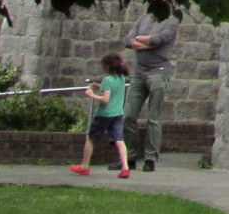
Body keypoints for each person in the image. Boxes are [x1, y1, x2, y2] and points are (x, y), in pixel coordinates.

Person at [123, 9, 180, 172]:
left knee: (153, 117)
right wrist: (147, 43)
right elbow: (127, 40)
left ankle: (150, 158)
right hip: (139, 72)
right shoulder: (143, 18)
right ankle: (130, 156)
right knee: (128, 116)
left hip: (158, 71)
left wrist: (139, 40)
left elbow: (160, 39)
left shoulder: (172, 20)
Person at [71, 51, 132, 179]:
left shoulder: (107, 80)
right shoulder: (121, 78)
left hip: (104, 114)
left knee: (91, 138)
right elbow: (112, 90)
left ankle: (84, 166)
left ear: (107, 66)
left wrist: (91, 94)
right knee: (119, 140)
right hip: (118, 113)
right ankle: (125, 168)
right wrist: (98, 86)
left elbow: (105, 99)